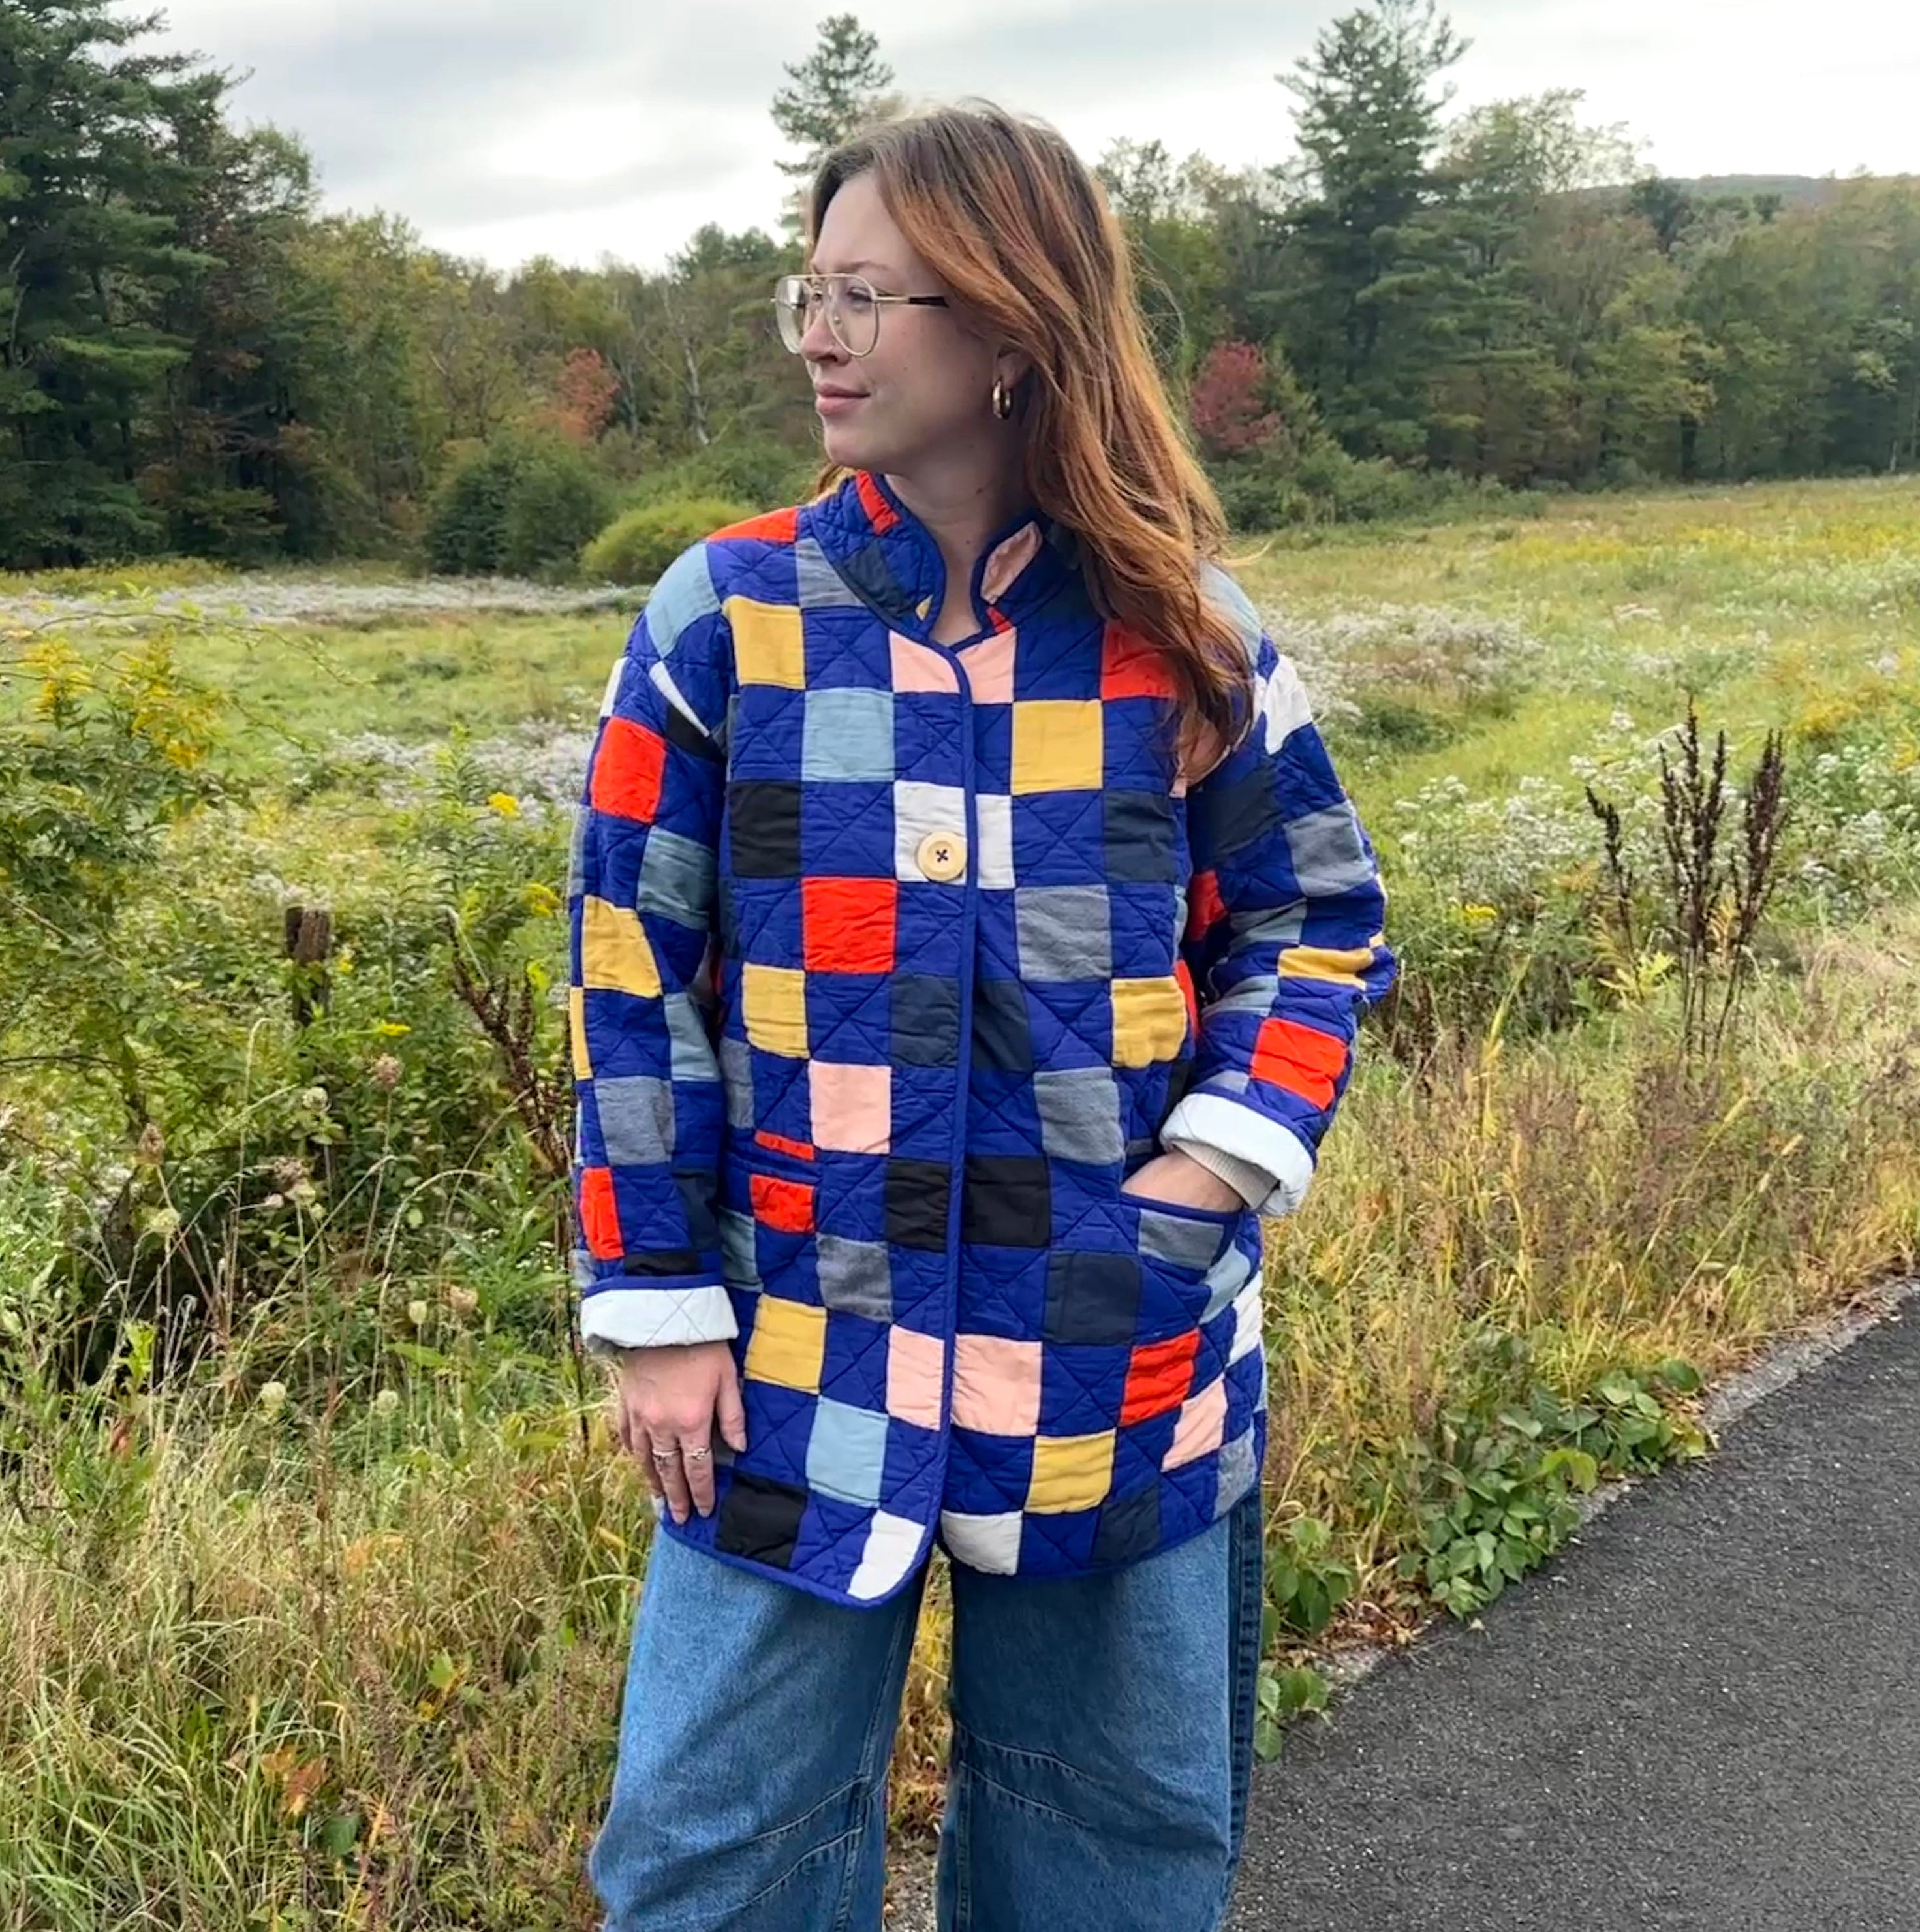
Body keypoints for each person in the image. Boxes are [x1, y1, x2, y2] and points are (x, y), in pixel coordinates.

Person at [566, 100, 1395, 1932]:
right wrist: (655, 1312)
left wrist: (1202, 1189)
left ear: (1015, 333)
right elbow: (628, 969)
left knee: (1110, 1850)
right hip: (791, 1353)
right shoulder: (729, 616)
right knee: (709, 1864)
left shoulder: (1180, 633)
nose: (824, 339)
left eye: (872, 296)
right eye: (813, 294)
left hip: (1109, 1358)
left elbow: (1317, 919)